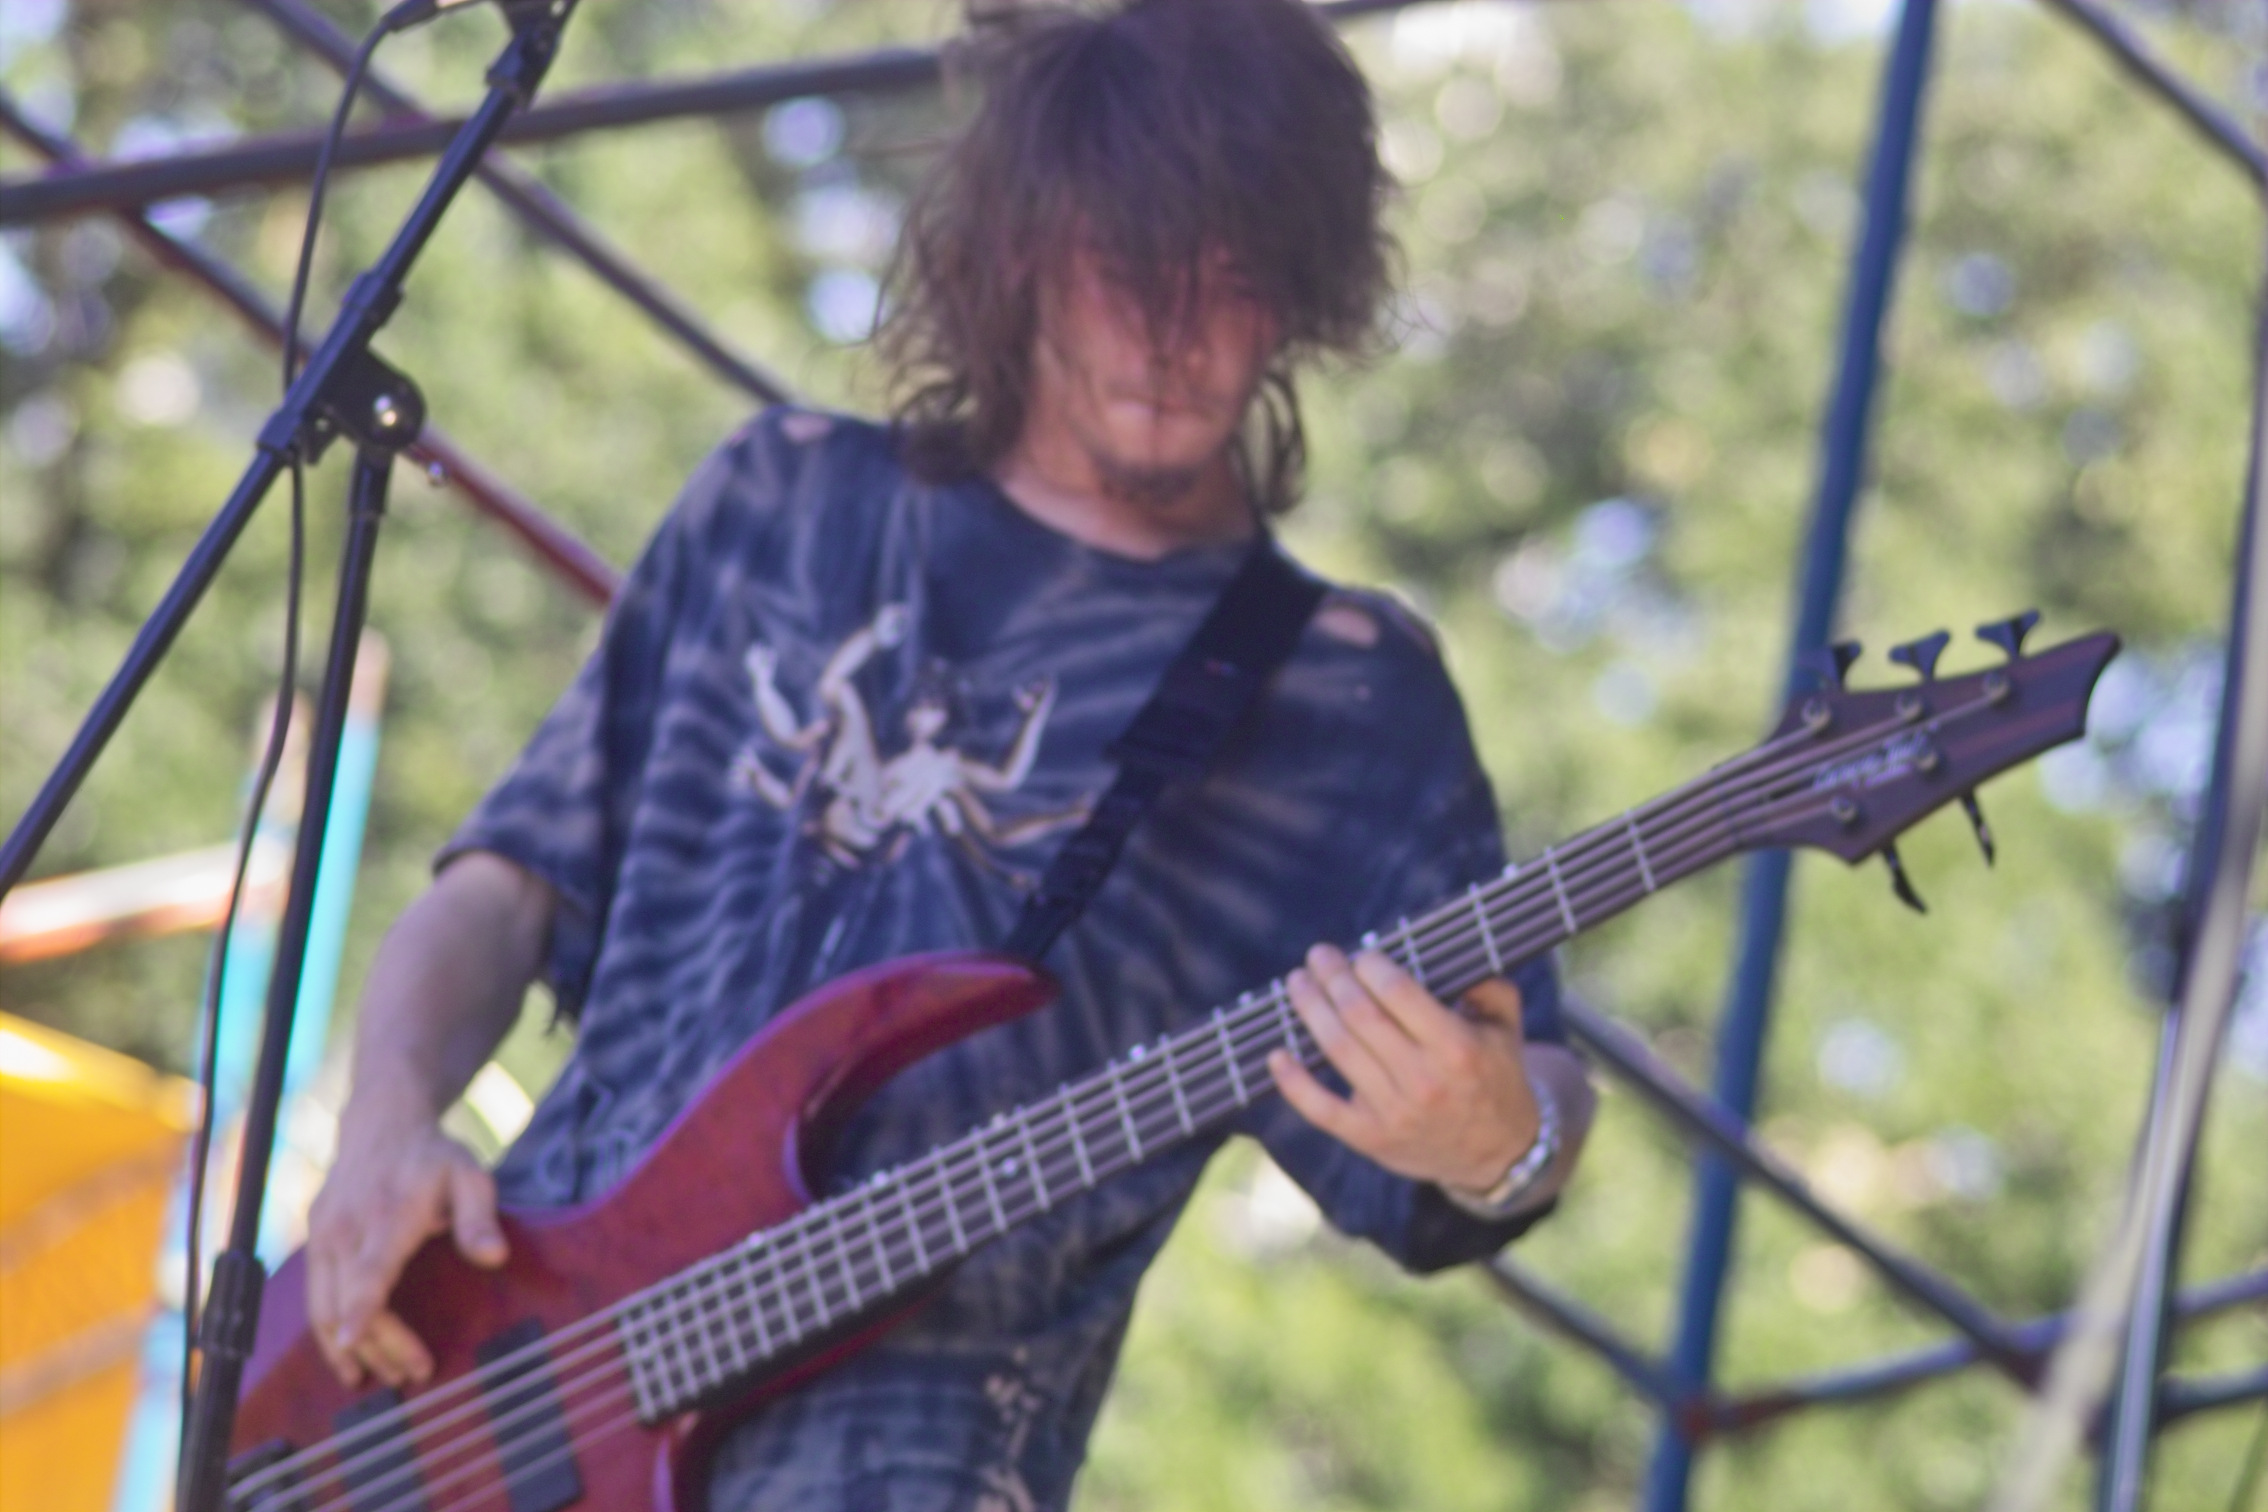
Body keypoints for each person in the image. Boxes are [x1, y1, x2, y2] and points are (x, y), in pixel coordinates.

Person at [304, 1, 1598, 1507]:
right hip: (492, 1386)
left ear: (1303, 290)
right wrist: (382, 1129)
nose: (1174, 334)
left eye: (1234, 277)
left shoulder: (1341, 697)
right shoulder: (782, 505)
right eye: (1131, 264)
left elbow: (1528, 1083)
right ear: (1020, 250)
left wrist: (1503, 1140)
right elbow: (500, 891)